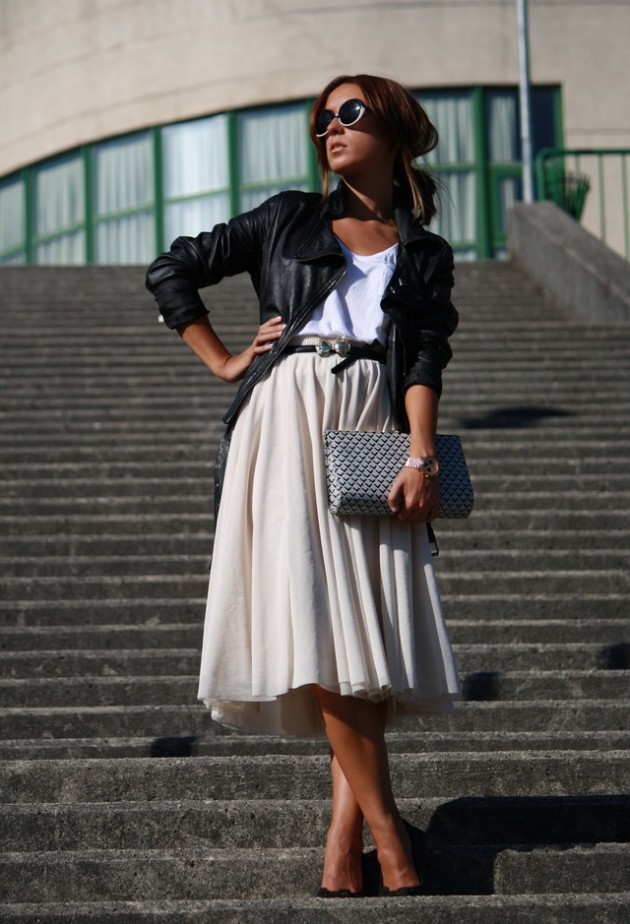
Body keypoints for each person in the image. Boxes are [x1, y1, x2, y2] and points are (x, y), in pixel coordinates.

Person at [146, 73, 460, 898]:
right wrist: (223, 360)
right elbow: (174, 268)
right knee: (327, 622)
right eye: (322, 118)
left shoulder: (422, 251)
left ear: (393, 129)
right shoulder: (288, 215)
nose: (330, 127)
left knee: (367, 630)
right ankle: (390, 838)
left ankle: (341, 839)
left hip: (376, 434)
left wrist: (420, 454)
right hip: (288, 419)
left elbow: (424, 356)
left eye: (350, 113)